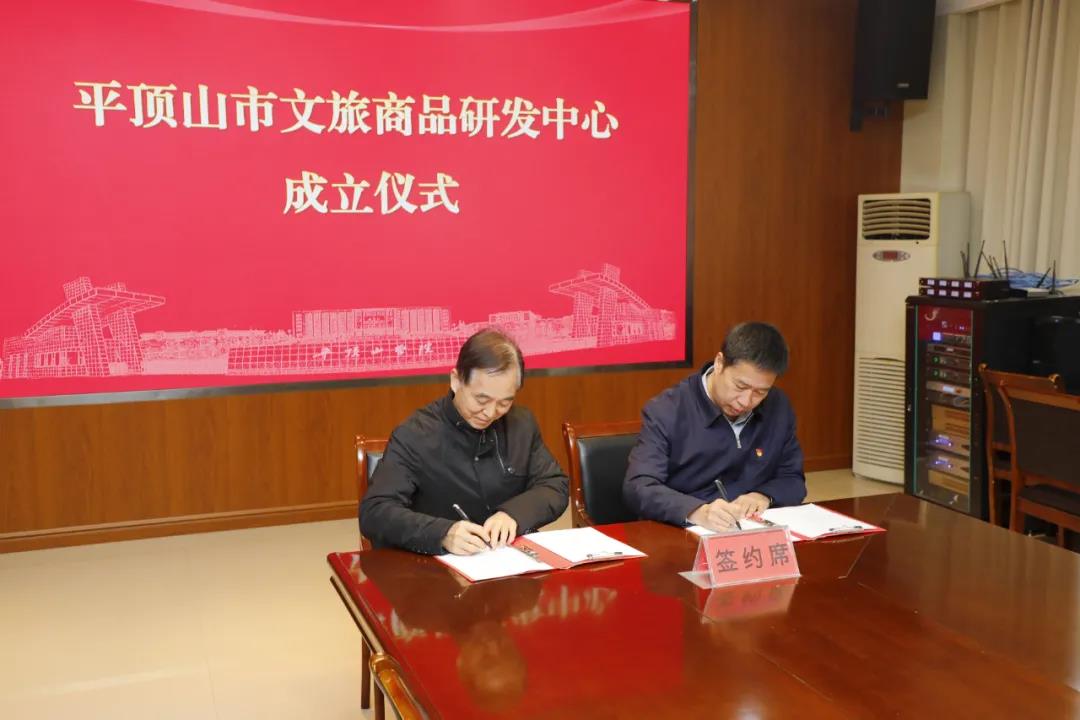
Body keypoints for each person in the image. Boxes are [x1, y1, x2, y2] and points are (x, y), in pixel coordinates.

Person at [360, 328, 569, 555]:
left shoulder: (521, 424)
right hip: (437, 564)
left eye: (504, 403)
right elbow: (375, 511)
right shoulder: (415, 434)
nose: (490, 413)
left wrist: (513, 514)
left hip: (508, 560)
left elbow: (554, 485)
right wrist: (442, 533)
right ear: (456, 380)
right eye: (481, 399)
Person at [623, 321, 806, 531]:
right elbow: (639, 487)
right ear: (719, 363)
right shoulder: (667, 411)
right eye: (740, 386)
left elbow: (793, 478)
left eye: (760, 392)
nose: (746, 401)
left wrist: (763, 496)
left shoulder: (778, 407)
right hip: (686, 532)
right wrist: (696, 511)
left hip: (752, 531)